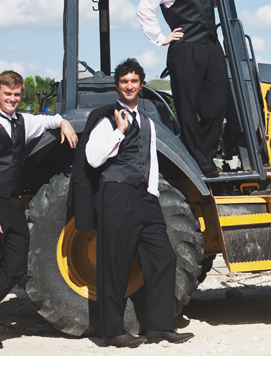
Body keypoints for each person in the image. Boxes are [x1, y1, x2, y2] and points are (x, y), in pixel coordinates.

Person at [0, 70, 78, 349]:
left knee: (17, 265)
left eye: (17, 95)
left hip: (10, 204)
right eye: (7, 94)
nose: (12, 99)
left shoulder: (22, 122)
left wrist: (63, 121)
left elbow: (46, 120)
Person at [74, 58, 193, 347]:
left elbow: (150, 161)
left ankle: (159, 326)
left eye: (134, 81)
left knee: (163, 257)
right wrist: (119, 131)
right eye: (124, 81)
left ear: (141, 84)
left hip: (143, 196)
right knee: (115, 263)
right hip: (115, 194)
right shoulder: (106, 117)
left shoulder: (148, 121)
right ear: (118, 85)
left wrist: (151, 192)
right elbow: (93, 157)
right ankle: (113, 332)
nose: (129, 86)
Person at [137, 0, 233, 178]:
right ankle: (201, 161)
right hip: (185, 48)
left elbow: (209, 4)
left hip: (211, 45)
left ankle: (203, 152)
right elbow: (145, 10)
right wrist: (161, 38)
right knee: (188, 106)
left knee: (218, 103)